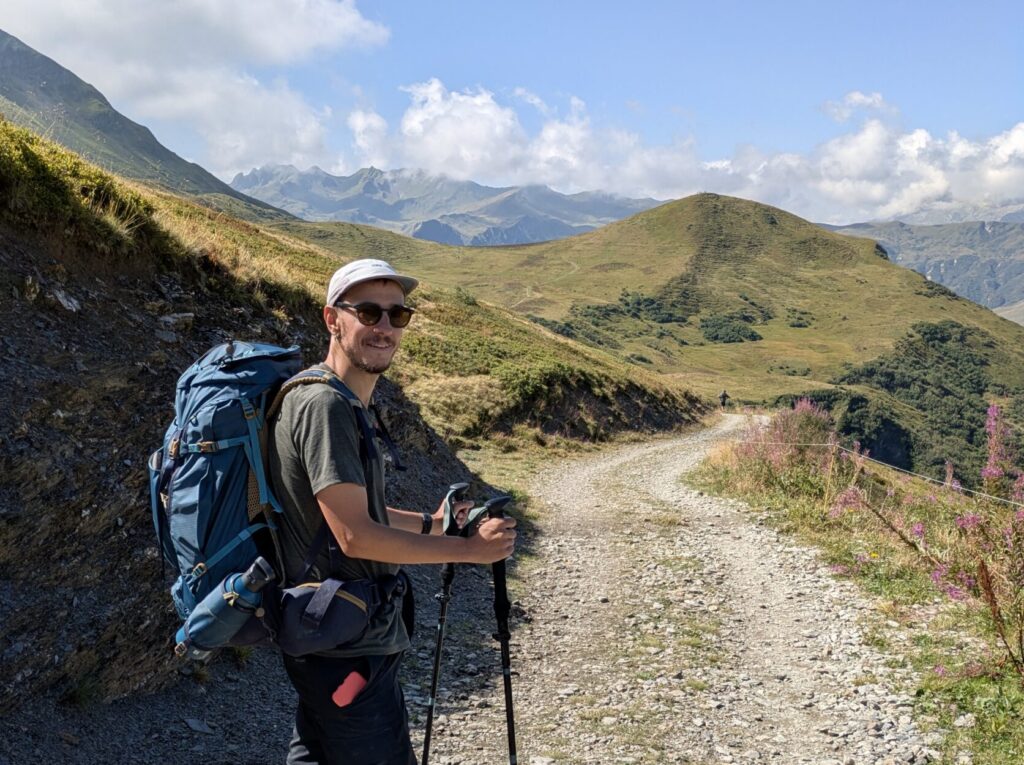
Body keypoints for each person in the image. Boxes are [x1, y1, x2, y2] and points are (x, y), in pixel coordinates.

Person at [268, 258, 517, 764]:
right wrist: (468, 550)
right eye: (368, 312)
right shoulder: (325, 407)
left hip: (333, 635)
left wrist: (433, 523)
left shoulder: (338, 399)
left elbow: (360, 510)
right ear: (332, 319)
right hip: (346, 643)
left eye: (396, 316)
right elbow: (356, 536)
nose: (383, 327)